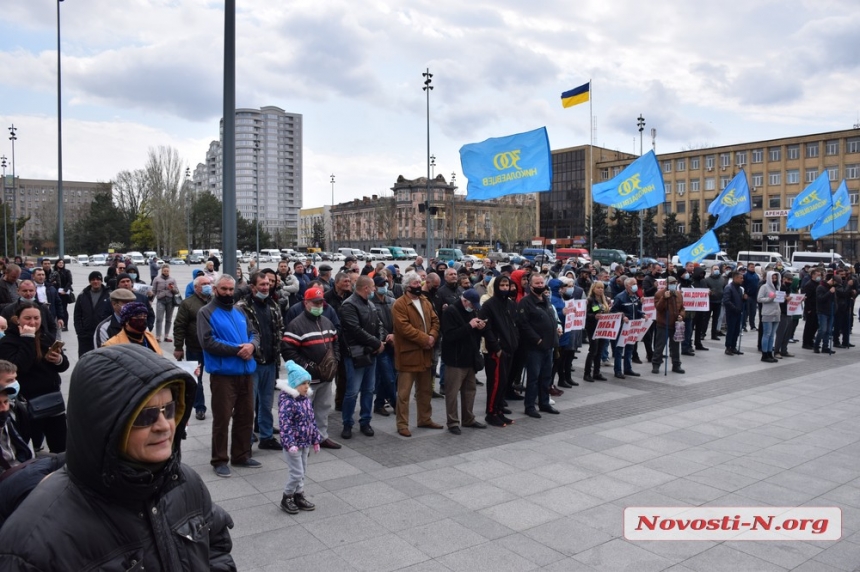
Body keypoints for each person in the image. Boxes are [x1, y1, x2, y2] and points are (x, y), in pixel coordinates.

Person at [0, 344, 237, 569]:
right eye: (146, 415)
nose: (164, 426)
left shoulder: (185, 481)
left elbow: (216, 544)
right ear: (104, 424)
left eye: (170, 409)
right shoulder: (34, 542)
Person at [198, 274, 261, 478]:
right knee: (222, 419)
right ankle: (219, 460)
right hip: (223, 375)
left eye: (230, 289)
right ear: (215, 290)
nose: (227, 293)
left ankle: (241, 455)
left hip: (246, 373)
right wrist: (238, 350)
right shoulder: (206, 312)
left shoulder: (239, 310)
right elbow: (208, 342)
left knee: (245, 416)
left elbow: (254, 334)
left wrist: (252, 346)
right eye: (223, 289)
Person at [0, 301, 70, 453]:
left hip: (52, 400)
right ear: (17, 319)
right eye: (27, 318)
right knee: (31, 448)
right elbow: (18, 367)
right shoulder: (8, 342)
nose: (33, 322)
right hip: (26, 404)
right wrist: (27, 339)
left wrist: (58, 360)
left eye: (36, 318)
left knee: (61, 447)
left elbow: (64, 365)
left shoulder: (46, 337)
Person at [282, 287, 342, 449]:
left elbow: (335, 341)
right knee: (303, 411)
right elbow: (288, 350)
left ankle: (321, 437)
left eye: (320, 302)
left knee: (323, 408)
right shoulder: (296, 325)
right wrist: (307, 367)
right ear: (306, 303)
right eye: (315, 302)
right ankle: (303, 439)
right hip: (307, 380)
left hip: (326, 376)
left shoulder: (326, 321)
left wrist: (335, 359)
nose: (318, 305)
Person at [391, 271, 443, 437]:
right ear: (407, 286)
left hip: (425, 354)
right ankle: (402, 424)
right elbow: (404, 328)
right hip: (408, 355)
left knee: (425, 390)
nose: (418, 286)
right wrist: (425, 339)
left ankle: (424, 419)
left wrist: (433, 336)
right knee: (404, 393)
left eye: (419, 283)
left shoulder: (425, 301)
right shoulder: (400, 304)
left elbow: (435, 320)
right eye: (415, 284)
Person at [236, 271, 284, 451]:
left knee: (266, 402)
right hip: (251, 363)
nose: (266, 287)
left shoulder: (272, 304)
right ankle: (246, 439)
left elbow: (279, 329)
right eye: (262, 285)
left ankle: (266, 437)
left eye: (268, 284)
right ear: (253, 287)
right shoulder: (242, 307)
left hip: (270, 361)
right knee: (248, 404)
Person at [339, 276, 384, 439]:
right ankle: (347, 423)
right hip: (355, 354)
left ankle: (365, 421)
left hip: (370, 353)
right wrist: (376, 343)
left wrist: (379, 341)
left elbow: (378, 325)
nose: (375, 290)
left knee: (368, 390)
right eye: (373, 287)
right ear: (365, 288)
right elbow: (354, 329)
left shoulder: (370, 304)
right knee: (352, 392)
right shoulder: (349, 305)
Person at [275, 361, 322, 515]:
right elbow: (285, 424)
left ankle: (298, 495)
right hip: (293, 445)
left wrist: (315, 439)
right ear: (295, 384)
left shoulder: (306, 400)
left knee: (303, 470)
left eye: (308, 383)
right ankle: (286, 496)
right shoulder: (287, 402)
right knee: (296, 472)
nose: (306, 386)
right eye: (303, 383)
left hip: (305, 442)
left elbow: (311, 421)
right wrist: (290, 444)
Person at [441, 289, 487, 434]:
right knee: (452, 393)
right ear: (465, 300)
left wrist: (480, 328)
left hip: (470, 358)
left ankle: (468, 419)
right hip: (455, 360)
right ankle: (453, 422)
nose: (473, 308)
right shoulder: (451, 311)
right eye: (472, 305)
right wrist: (470, 326)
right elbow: (449, 336)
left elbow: (473, 333)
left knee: (470, 391)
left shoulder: (472, 311)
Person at [517, 273, 560, 418]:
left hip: (549, 346)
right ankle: (529, 406)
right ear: (531, 285)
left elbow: (550, 317)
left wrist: (556, 329)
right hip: (534, 348)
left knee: (546, 377)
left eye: (542, 283)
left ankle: (544, 402)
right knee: (533, 378)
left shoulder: (546, 299)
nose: (540, 286)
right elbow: (523, 325)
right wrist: (537, 340)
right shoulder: (526, 302)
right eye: (537, 283)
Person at [479, 276, 519, 427]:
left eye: (506, 285)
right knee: (495, 383)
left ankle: (499, 410)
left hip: (510, 348)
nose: (504, 288)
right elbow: (485, 328)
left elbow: (514, 324)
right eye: (501, 285)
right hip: (497, 351)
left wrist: (515, 340)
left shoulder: (510, 304)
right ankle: (491, 413)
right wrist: (496, 347)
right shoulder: (489, 305)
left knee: (504, 382)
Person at [173, 273, 213, 420]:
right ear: (196, 287)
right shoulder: (188, 304)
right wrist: (178, 347)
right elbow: (179, 326)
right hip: (195, 347)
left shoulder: (215, 301)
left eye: (208, 283)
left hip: (215, 348)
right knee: (197, 378)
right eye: (203, 284)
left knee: (218, 378)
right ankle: (199, 407)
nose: (207, 286)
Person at [370, 276, 397, 417]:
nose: (383, 287)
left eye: (385, 284)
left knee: (389, 376)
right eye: (380, 285)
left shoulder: (391, 301)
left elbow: (398, 322)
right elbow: (375, 325)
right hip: (381, 345)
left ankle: (379, 404)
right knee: (388, 377)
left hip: (394, 343)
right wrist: (384, 339)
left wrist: (395, 335)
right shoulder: (370, 303)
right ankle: (396, 403)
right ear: (374, 287)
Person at [610, 278, 644, 379]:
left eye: (636, 284)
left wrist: (643, 315)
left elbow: (637, 310)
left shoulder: (635, 296)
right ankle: (618, 370)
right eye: (633, 284)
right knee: (619, 349)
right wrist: (622, 316)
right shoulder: (620, 297)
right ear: (627, 286)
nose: (635, 286)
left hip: (632, 326)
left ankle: (628, 369)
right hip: (622, 327)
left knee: (630, 348)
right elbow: (613, 311)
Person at [652, 276, 686, 374]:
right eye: (671, 283)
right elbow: (658, 308)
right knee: (660, 346)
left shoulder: (679, 294)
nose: (673, 285)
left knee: (675, 346)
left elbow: (683, 308)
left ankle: (676, 365)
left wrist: (681, 316)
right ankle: (656, 364)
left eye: (674, 283)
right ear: (666, 284)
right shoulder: (659, 294)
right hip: (663, 324)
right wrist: (664, 298)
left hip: (675, 324)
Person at [583, 281, 610, 382]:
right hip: (593, 328)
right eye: (598, 288)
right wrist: (594, 316)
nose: (600, 290)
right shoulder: (590, 300)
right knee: (593, 351)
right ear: (593, 289)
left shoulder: (605, 300)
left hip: (603, 328)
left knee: (599, 351)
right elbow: (586, 314)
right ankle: (587, 373)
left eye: (602, 288)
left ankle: (597, 372)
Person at [757, 270, 781, 362]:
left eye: (775, 278)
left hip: (776, 313)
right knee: (767, 334)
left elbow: (779, 299)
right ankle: (764, 354)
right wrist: (770, 298)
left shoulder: (777, 287)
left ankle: (770, 352)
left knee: (772, 335)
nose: (774, 280)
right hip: (768, 313)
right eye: (772, 278)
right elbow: (759, 299)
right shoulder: (764, 287)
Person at [152, 263, 179, 342]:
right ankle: (158, 336)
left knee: (168, 319)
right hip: (161, 300)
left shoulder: (172, 279)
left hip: (170, 301)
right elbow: (154, 290)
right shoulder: (157, 279)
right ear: (162, 271)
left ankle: (166, 336)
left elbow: (176, 291)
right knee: (159, 319)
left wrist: (172, 289)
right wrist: (150, 300)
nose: (166, 272)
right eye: (164, 271)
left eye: (167, 271)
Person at [722, 270, 746, 355]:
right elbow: (727, 301)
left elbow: (739, 300)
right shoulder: (729, 287)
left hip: (738, 312)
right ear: (735, 278)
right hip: (731, 313)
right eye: (741, 278)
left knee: (736, 331)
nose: (742, 280)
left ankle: (733, 346)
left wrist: (743, 299)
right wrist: (735, 308)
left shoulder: (739, 289)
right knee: (731, 330)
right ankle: (728, 347)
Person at [814, 274, 837, 354]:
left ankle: (825, 346)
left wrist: (835, 309)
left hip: (830, 311)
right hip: (822, 311)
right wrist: (829, 292)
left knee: (828, 330)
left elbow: (834, 300)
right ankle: (816, 345)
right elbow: (820, 299)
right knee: (822, 330)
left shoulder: (832, 288)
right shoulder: (821, 287)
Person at [48, 259, 73, 331]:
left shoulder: (67, 272)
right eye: (59, 262)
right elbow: (50, 281)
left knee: (64, 309)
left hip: (64, 293)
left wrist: (65, 290)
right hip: (55, 291)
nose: (61, 264)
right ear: (56, 264)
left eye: (62, 263)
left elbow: (70, 282)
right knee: (55, 308)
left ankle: (65, 325)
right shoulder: (53, 272)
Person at [742, 263, 760, 331]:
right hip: (748, 295)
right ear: (748, 267)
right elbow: (743, 285)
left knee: (753, 312)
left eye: (753, 267)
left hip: (754, 296)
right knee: (746, 312)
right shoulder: (745, 275)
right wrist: (744, 293)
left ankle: (752, 326)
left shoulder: (756, 275)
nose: (753, 268)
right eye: (751, 267)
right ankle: (743, 325)